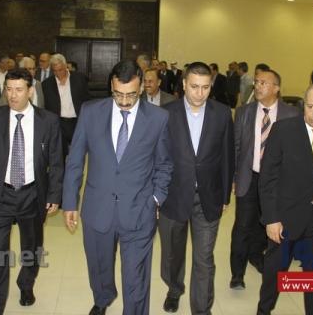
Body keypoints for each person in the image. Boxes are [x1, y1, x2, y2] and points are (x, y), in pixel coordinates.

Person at [62, 60, 173, 315]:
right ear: (111, 87)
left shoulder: (158, 118)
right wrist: (70, 201)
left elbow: (164, 164)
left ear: (142, 88)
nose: (123, 101)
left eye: (130, 95)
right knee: (99, 266)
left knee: (136, 277)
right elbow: (75, 160)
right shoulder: (90, 111)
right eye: (118, 94)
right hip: (97, 206)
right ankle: (103, 298)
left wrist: (156, 199)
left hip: (139, 209)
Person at [0, 69, 63, 315]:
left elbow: (57, 163)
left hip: (32, 194)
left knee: (32, 247)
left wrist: (54, 195)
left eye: (19, 90)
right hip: (1, 194)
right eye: (9, 89)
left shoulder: (48, 120)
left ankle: (26, 283)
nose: (13, 95)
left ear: (30, 91)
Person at [257, 84, 313, 315]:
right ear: (303, 105)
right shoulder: (283, 130)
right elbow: (267, 178)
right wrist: (271, 219)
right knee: (275, 275)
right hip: (285, 218)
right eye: (311, 107)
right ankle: (264, 310)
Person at [158, 62, 234, 314]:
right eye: (194, 87)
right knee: (172, 255)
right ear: (183, 84)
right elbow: (156, 158)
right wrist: (156, 197)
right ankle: (174, 289)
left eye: (205, 87)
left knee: (204, 259)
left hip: (207, 197)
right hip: (172, 196)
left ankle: (201, 309)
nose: (200, 93)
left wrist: (225, 195)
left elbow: (227, 156)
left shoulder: (222, 113)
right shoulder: (165, 113)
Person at [230, 69, 300, 289]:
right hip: (249, 178)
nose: (257, 86)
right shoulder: (244, 112)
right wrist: (233, 177)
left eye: (263, 83)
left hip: (278, 182)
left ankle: (256, 256)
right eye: (256, 82)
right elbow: (236, 147)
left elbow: (297, 153)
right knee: (243, 226)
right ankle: (237, 273)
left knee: (267, 222)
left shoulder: (292, 114)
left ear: (276, 88)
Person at [42, 53, 91, 158]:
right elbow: (47, 106)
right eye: (55, 71)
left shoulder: (79, 78)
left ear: (65, 66)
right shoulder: (47, 84)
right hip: (59, 123)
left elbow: (86, 99)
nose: (58, 73)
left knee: (78, 153)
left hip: (77, 121)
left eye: (60, 70)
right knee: (59, 154)